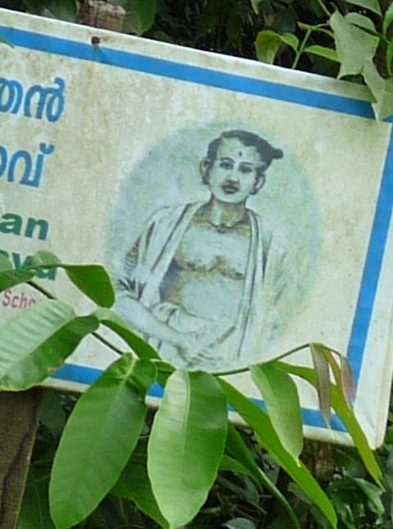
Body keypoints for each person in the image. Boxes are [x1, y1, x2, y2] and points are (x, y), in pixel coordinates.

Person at [115, 127, 294, 365]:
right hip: (165, 347)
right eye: (225, 165)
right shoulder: (165, 224)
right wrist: (177, 339)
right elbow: (118, 290)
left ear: (258, 182)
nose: (232, 178)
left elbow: (280, 318)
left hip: (231, 356)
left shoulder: (272, 245)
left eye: (245, 170)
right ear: (206, 169)